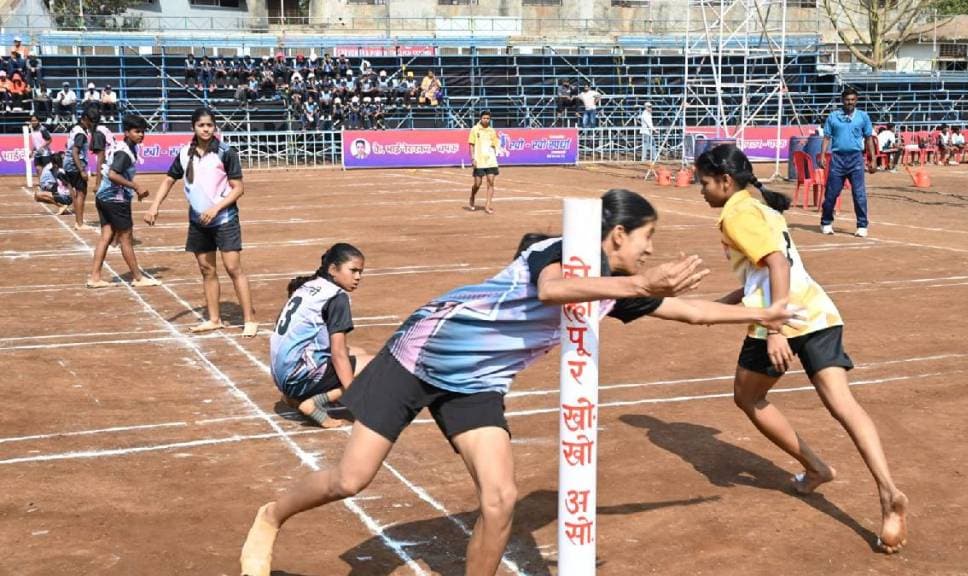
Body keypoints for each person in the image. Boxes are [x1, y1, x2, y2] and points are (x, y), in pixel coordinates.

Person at [239, 188, 801, 576]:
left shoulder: (611, 289)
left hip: (476, 382)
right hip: (419, 353)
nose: (650, 251)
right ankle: (270, 516)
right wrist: (642, 285)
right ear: (617, 235)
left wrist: (764, 315)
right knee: (351, 479)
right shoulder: (554, 252)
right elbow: (553, 291)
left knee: (501, 500)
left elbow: (691, 312)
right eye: (646, 239)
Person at [695, 143, 908, 555]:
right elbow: (768, 269)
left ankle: (815, 467)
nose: (700, 190)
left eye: (704, 183)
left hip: (782, 319)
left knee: (748, 396)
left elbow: (777, 264)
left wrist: (774, 327)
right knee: (844, 405)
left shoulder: (736, 215)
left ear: (725, 182)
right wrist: (727, 302)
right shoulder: (762, 208)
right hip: (818, 312)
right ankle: (887, 492)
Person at [145, 107, 258, 337]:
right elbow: (169, 180)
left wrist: (215, 208)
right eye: (201, 125)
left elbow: (239, 189)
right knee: (207, 270)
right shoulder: (185, 152)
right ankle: (214, 318)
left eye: (209, 125)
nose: (206, 129)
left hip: (225, 219)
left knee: (233, 268)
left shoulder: (226, 152)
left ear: (215, 127)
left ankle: (249, 319)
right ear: (193, 127)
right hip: (198, 221)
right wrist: (154, 206)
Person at [270, 243, 374, 428]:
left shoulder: (310, 285)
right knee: (374, 364)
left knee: (359, 351)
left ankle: (294, 398)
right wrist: (355, 398)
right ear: (333, 269)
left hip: (282, 374)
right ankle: (314, 402)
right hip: (298, 376)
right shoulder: (337, 297)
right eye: (353, 271)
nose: (358, 277)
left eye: (361, 272)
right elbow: (338, 353)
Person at [87, 115, 162, 289]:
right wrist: (135, 186)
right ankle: (137, 277)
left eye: (143, 132)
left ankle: (95, 277)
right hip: (114, 199)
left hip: (104, 196)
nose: (141, 135)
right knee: (126, 237)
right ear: (127, 132)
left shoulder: (123, 147)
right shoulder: (124, 152)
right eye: (137, 131)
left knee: (106, 237)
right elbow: (113, 174)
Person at [820, 87, 875, 238]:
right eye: (847, 100)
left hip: (856, 158)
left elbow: (869, 138)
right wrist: (823, 155)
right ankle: (826, 222)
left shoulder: (863, 117)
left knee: (859, 194)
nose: (850, 102)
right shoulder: (833, 116)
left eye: (852, 100)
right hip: (837, 158)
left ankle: (862, 225)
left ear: (856, 101)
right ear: (842, 100)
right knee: (831, 193)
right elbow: (826, 137)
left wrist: (873, 159)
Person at [62, 106, 96, 230]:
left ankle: (79, 221)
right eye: (91, 121)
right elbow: (75, 152)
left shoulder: (74, 129)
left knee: (76, 194)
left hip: (68, 164)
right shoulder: (81, 134)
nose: (92, 124)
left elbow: (68, 145)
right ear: (85, 119)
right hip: (75, 166)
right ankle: (79, 223)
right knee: (81, 194)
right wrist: (82, 170)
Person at [467, 110, 502, 214]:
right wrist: (473, 158)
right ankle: (472, 196)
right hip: (479, 160)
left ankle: (487, 206)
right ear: (480, 118)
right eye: (484, 118)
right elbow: (471, 144)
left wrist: (496, 150)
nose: (486, 120)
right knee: (477, 183)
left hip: (491, 160)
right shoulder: (474, 129)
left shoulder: (492, 131)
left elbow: (496, 143)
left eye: (488, 118)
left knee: (491, 182)